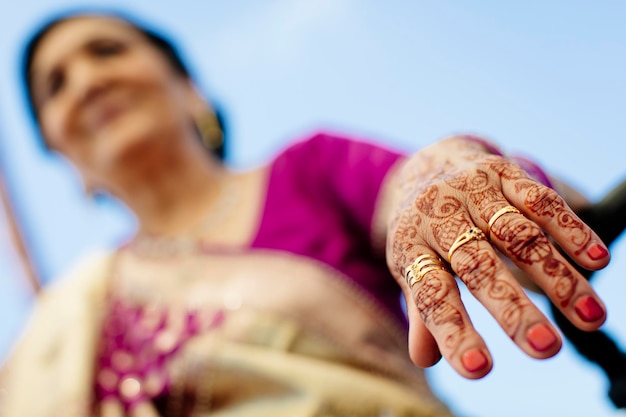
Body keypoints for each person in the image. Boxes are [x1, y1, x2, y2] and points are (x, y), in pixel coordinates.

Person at [0, 10, 611, 417]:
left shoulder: (307, 172)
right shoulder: (72, 324)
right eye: (56, 85)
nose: (85, 82)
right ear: (66, 160)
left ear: (190, 89)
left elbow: (419, 198)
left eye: (106, 51)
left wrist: (452, 180)